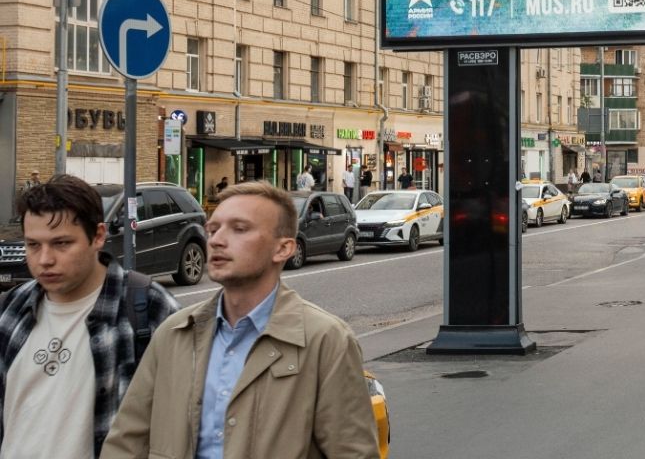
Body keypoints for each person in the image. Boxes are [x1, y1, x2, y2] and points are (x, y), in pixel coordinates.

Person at [101, 182, 380, 458]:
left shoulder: (326, 340)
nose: (216, 240)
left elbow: (353, 452)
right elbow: (126, 443)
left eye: (239, 229)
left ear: (283, 248)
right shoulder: (174, 333)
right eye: (213, 229)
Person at [1, 175, 179, 458]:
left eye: (61, 243)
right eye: (33, 245)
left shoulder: (148, 307)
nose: (45, 259)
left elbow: (186, 417)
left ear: (98, 236)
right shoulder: (12, 308)